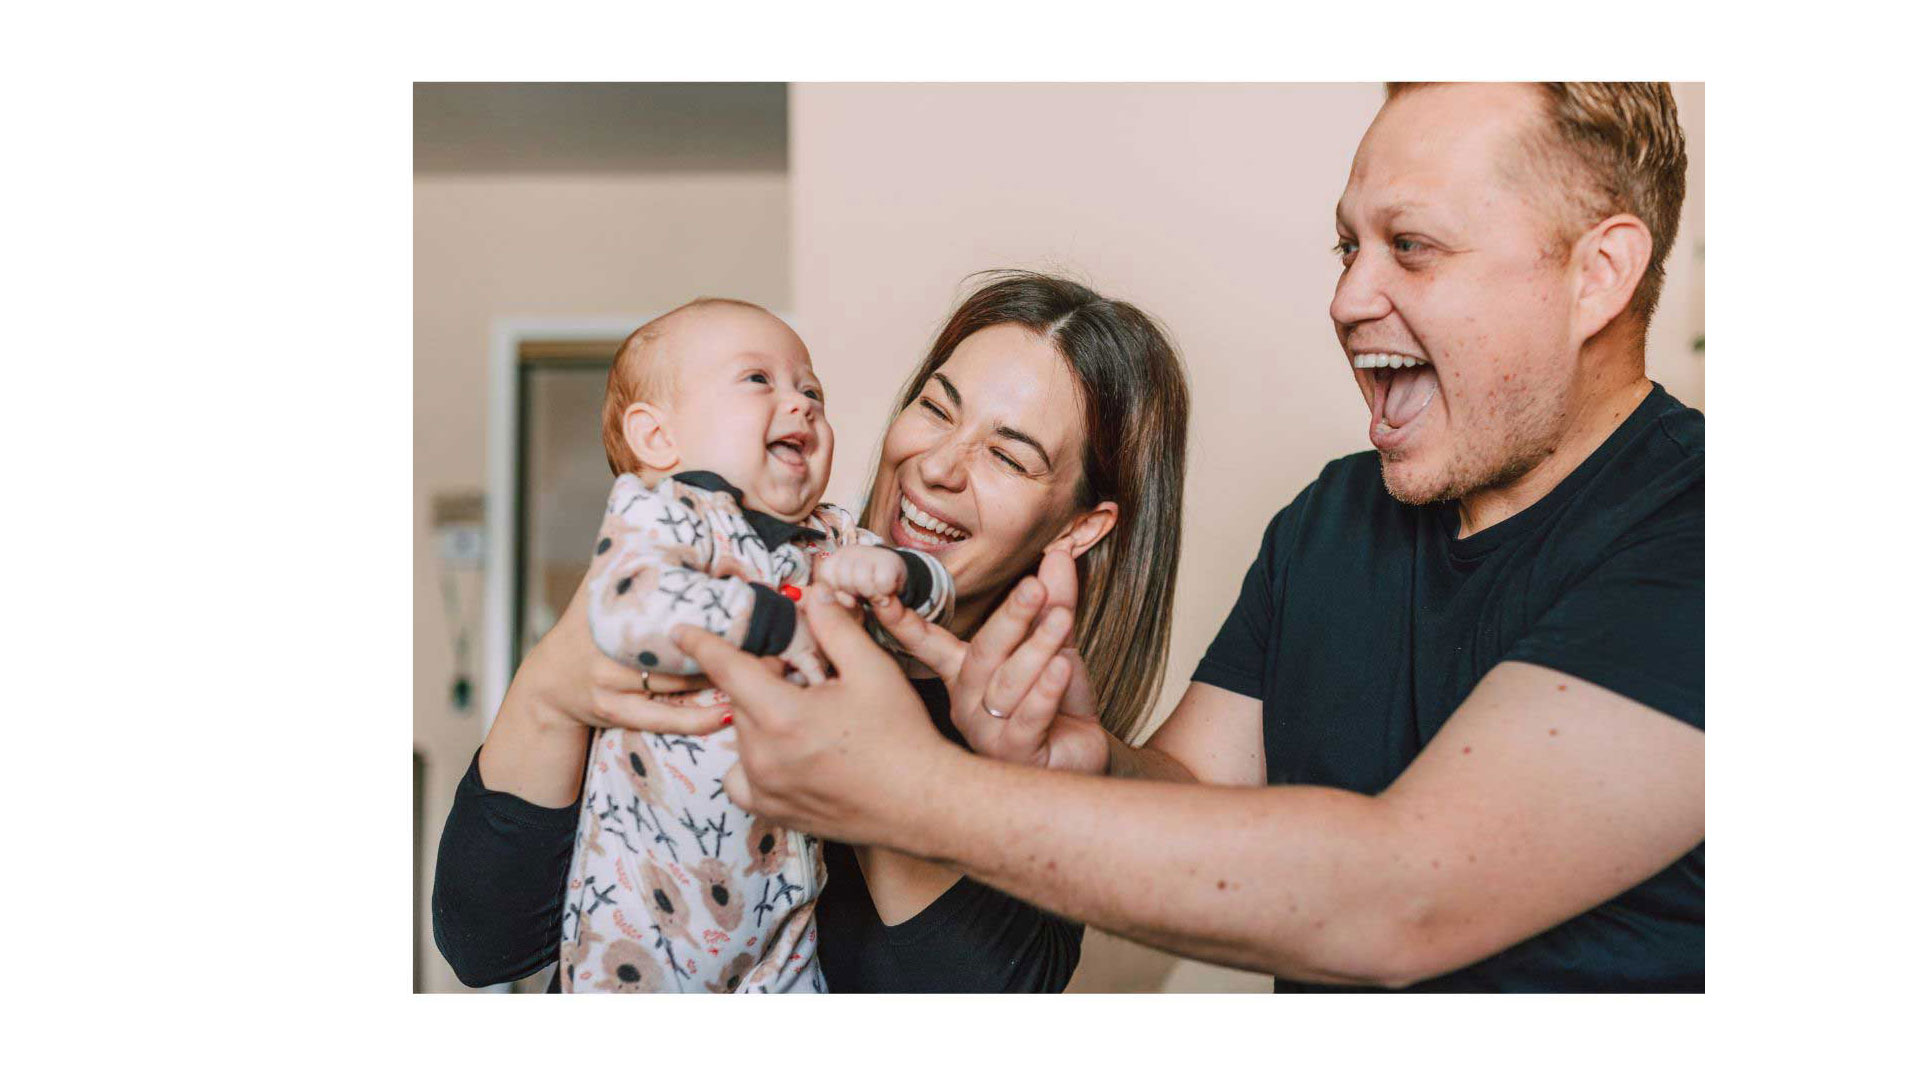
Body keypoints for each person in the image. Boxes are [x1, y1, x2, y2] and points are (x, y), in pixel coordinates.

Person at [678, 82, 1706, 992]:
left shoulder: (1709, 525)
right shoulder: (1334, 519)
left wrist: (908, 791)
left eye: (1413, 247)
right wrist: (1081, 761)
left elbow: (1405, 897)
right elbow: (1195, 794)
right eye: (1349, 246)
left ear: (1600, 273)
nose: (1347, 299)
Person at [432, 272, 1191, 992]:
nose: (938, 467)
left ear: (1080, 528)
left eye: (1006, 455)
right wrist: (546, 697)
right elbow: (483, 943)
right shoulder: (687, 579)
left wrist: (877, 747)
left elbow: (979, 1004)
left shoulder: (1032, 744)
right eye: (936, 408)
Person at [560, 298, 956, 993]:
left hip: (786, 911)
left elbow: (937, 603)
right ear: (657, 437)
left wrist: (900, 571)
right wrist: (771, 620)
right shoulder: (666, 514)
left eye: (812, 391)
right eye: (758, 381)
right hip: (646, 914)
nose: (800, 404)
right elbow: (628, 608)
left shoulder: (829, 535)